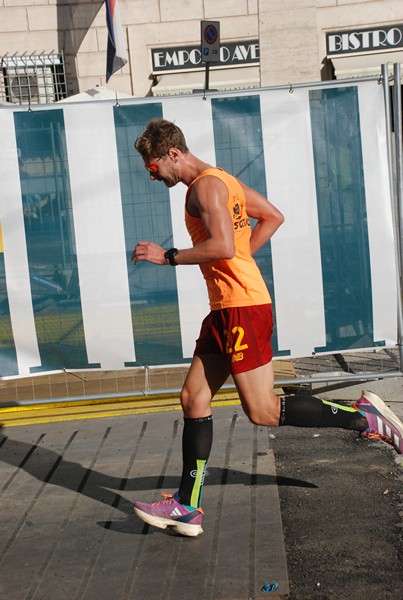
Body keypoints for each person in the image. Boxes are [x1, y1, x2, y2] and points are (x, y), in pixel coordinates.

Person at [131, 118, 403, 537]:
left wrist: (166, 256)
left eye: (152, 168)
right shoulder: (222, 180)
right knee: (193, 397)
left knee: (262, 411)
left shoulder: (205, 187)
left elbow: (222, 246)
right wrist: (242, 262)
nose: (152, 177)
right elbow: (272, 217)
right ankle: (187, 506)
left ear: (172, 154)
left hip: (241, 309)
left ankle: (363, 417)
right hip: (226, 308)